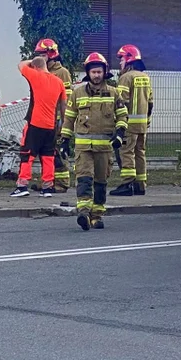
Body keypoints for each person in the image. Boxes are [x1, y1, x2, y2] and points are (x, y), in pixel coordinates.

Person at [61, 53, 128, 231]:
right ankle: (83, 212)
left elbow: (122, 116)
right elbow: (69, 118)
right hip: (83, 148)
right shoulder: (77, 93)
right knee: (84, 179)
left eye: (99, 71)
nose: (96, 75)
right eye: (93, 72)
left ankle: (96, 216)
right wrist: (64, 140)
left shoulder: (114, 93)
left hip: (104, 148)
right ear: (88, 73)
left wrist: (120, 133)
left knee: (100, 182)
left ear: (104, 72)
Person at [10, 56, 67, 198]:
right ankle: (47, 187)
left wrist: (33, 62)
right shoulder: (59, 82)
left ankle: (22, 185)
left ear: (35, 67)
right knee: (48, 157)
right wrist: (63, 125)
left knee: (27, 154)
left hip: (35, 124)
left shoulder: (35, 75)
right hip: (51, 126)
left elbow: (21, 64)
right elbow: (63, 105)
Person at [111, 44, 153, 197]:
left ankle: (127, 184)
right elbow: (150, 102)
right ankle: (140, 186)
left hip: (129, 124)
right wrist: (147, 120)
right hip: (142, 124)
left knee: (126, 152)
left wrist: (117, 121)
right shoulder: (145, 77)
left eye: (121, 59)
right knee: (140, 153)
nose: (119, 63)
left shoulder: (126, 77)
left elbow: (121, 102)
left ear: (129, 59)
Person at [34, 38, 73, 192]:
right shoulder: (41, 72)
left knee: (57, 153)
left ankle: (62, 183)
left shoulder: (62, 73)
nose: (39, 57)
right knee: (45, 152)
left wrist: (64, 122)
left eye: (42, 54)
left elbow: (66, 100)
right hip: (43, 119)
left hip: (56, 120)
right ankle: (47, 181)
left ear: (51, 54)